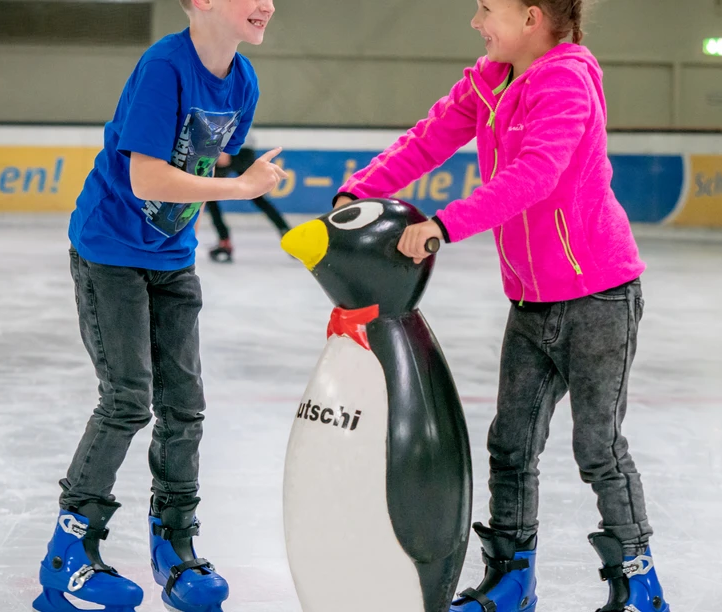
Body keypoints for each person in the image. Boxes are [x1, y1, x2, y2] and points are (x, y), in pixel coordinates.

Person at [332, 1, 670, 611]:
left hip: (599, 297)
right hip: (532, 301)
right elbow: (429, 138)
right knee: (510, 445)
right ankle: (513, 578)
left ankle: (639, 584)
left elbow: (536, 173)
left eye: (488, 8)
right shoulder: (488, 81)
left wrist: (444, 224)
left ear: (532, 17)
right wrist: (361, 190)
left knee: (598, 448)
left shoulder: (566, 79)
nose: (476, 20)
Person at [33, 1, 285, 611]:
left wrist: (233, 185)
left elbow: (202, 160)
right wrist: (241, 188)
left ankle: (175, 542)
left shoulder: (243, 81)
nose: (267, 3)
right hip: (110, 252)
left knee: (185, 405)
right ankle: (68, 556)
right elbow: (147, 179)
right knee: (127, 398)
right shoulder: (163, 68)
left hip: (172, 257)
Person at [203, 147, 292, 263]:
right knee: (211, 197)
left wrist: (223, 150)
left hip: (230, 150)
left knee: (210, 196)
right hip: (234, 150)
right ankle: (287, 234)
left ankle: (224, 241)